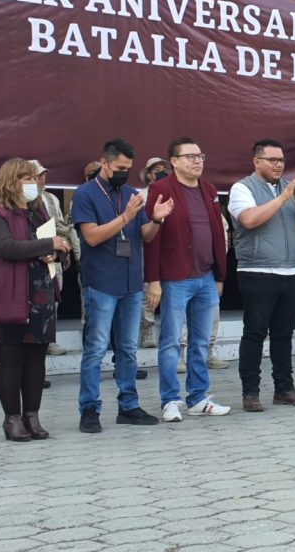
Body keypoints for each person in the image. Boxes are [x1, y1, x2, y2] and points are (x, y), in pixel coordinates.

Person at [73, 138, 171, 434]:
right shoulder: (85, 194)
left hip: (131, 282)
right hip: (101, 282)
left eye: (128, 168)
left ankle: (128, 405)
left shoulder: (130, 193)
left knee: (128, 348)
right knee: (96, 348)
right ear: (104, 163)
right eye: (118, 168)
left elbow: (145, 235)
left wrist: (156, 219)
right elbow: (91, 237)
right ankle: (89, 408)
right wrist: (125, 217)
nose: (123, 173)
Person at [0, 158, 71, 441]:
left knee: (36, 357)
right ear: (10, 180)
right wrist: (48, 245)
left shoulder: (37, 210)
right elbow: (7, 248)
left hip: (39, 292)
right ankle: (12, 418)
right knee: (10, 356)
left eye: (34, 177)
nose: (33, 183)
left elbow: (51, 241)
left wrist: (57, 252)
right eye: (25, 177)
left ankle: (32, 416)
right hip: (10, 294)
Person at [145, 137, 231, 422]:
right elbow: (152, 239)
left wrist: (220, 275)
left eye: (200, 156)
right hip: (175, 278)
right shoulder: (161, 189)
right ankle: (170, 400)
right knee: (170, 341)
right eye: (191, 156)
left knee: (200, 341)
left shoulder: (208, 190)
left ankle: (198, 398)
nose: (198, 161)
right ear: (174, 161)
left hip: (206, 277)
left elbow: (218, 234)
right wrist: (154, 280)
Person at [229, 139, 295, 412]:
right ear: (257, 162)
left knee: (284, 334)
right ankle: (251, 393)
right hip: (257, 271)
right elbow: (249, 220)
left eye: (281, 160)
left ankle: (284, 389)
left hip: (290, 271)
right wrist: (283, 197)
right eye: (272, 160)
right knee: (254, 333)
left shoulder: (290, 189)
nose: (279, 165)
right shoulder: (242, 188)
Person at [31, 160, 78, 356]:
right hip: (32, 255)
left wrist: (64, 251)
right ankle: (35, 339)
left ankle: (49, 338)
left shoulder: (52, 199)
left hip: (53, 254)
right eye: (37, 175)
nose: (42, 179)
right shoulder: (22, 199)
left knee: (53, 297)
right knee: (34, 299)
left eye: (44, 175)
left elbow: (61, 226)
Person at [138, 157, 170, 349]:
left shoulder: (176, 192)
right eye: (156, 169)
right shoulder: (141, 196)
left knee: (172, 292)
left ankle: (169, 333)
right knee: (148, 291)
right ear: (148, 174)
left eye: (163, 168)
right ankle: (147, 328)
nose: (160, 171)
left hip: (171, 250)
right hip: (148, 247)